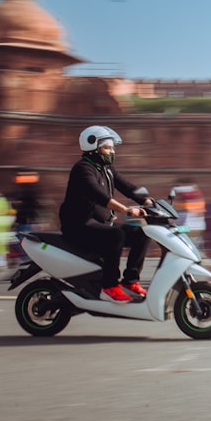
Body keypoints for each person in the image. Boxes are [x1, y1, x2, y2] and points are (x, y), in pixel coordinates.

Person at [58, 126, 151, 303]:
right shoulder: (83, 169)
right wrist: (126, 210)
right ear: (93, 147)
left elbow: (128, 187)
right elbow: (97, 194)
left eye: (112, 147)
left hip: (100, 223)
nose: (112, 151)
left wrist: (149, 201)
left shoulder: (107, 169)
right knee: (116, 235)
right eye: (108, 147)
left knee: (142, 232)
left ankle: (130, 281)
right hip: (79, 226)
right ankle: (109, 286)